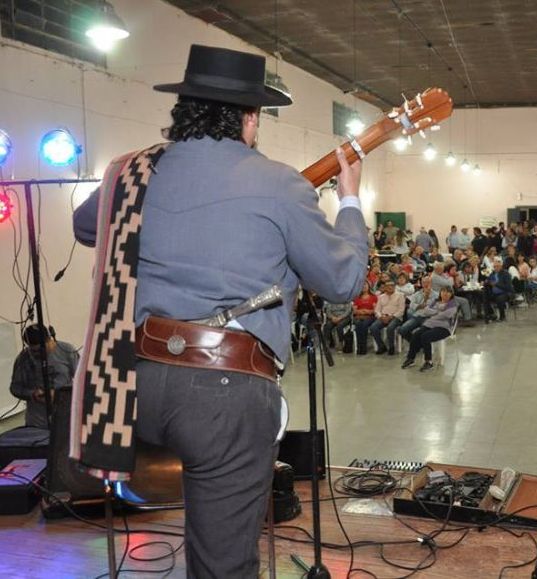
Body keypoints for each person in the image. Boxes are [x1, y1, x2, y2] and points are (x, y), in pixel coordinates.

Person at [71, 44, 367, 579]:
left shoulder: (133, 170)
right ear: (250, 118)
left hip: (131, 381)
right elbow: (343, 281)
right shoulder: (279, 182)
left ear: (184, 108)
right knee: (222, 561)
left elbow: (87, 227)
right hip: (223, 392)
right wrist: (349, 202)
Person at [10, 325, 79, 429]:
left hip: (66, 419)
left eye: (40, 350)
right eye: (33, 351)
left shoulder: (67, 351)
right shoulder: (23, 359)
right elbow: (15, 388)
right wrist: (32, 394)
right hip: (37, 422)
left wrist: (61, 394)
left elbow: (83, 380)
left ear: (50, 340)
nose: (37, 354)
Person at [401, 286, 458, 372]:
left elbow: (447, 315)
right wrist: (438, 312)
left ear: (451, 294)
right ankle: (410, 358)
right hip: (430, 324)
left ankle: (429, 362)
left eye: (448, 292)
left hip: (444, 327)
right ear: (440, 293)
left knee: (425, 336)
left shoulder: (452, 304)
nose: (445, 294)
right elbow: (426, 310)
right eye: (443, 291)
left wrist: (434, 313)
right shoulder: (435, 301)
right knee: (416, 334)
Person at [369, 280, 405, 355]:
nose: (390, 287)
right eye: (388, 286)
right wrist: (380, 316)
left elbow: (401, 310)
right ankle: (381, 346)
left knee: (390, 327)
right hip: (383, 317)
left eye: (392, 285)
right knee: (373, 327)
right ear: (385, 287)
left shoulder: (400, 295)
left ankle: (391, 347)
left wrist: (391, 317)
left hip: (395, 317)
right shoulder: (381, 297)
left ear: (395, 287)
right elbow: (377, 310)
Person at [399, 276, 437, 341]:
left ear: (431, 283)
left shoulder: (436, 295)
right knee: (402, 329)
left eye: (428, 282)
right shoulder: (417, 294)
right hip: (417, 317)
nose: (426, 284)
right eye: (424, 282)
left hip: (429, 318)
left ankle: (420, 344)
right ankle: (415, 342)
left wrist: (426, 298)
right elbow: (411, 305)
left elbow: (435, 308)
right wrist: (420, 306)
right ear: (421, 284)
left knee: (423, 332)